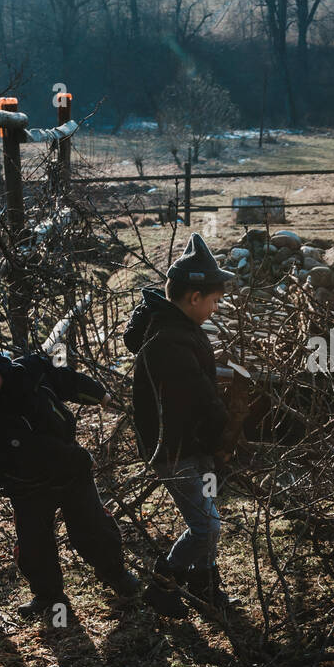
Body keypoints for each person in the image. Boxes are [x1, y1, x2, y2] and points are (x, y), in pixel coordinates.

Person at [0, 334, 146, 621]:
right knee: (34, 546)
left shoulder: (31, 371)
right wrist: (71, 458)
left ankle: (116, 575)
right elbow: (20, 450)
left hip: (70, 471)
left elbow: (65, 380)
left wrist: (101, 397)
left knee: (92, 528)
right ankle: (49, 597)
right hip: (27, 484)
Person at [124, 233, 238, 610]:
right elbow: (199, 398)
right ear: (193, 298)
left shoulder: (180, 330)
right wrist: (225, 432)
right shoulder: (169, 343)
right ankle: (162, 585)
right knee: (207, 525)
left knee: (209, 515)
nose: (215, 309)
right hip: (175, 451)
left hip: (193, 445)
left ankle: (204, 585)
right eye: (215, 301)